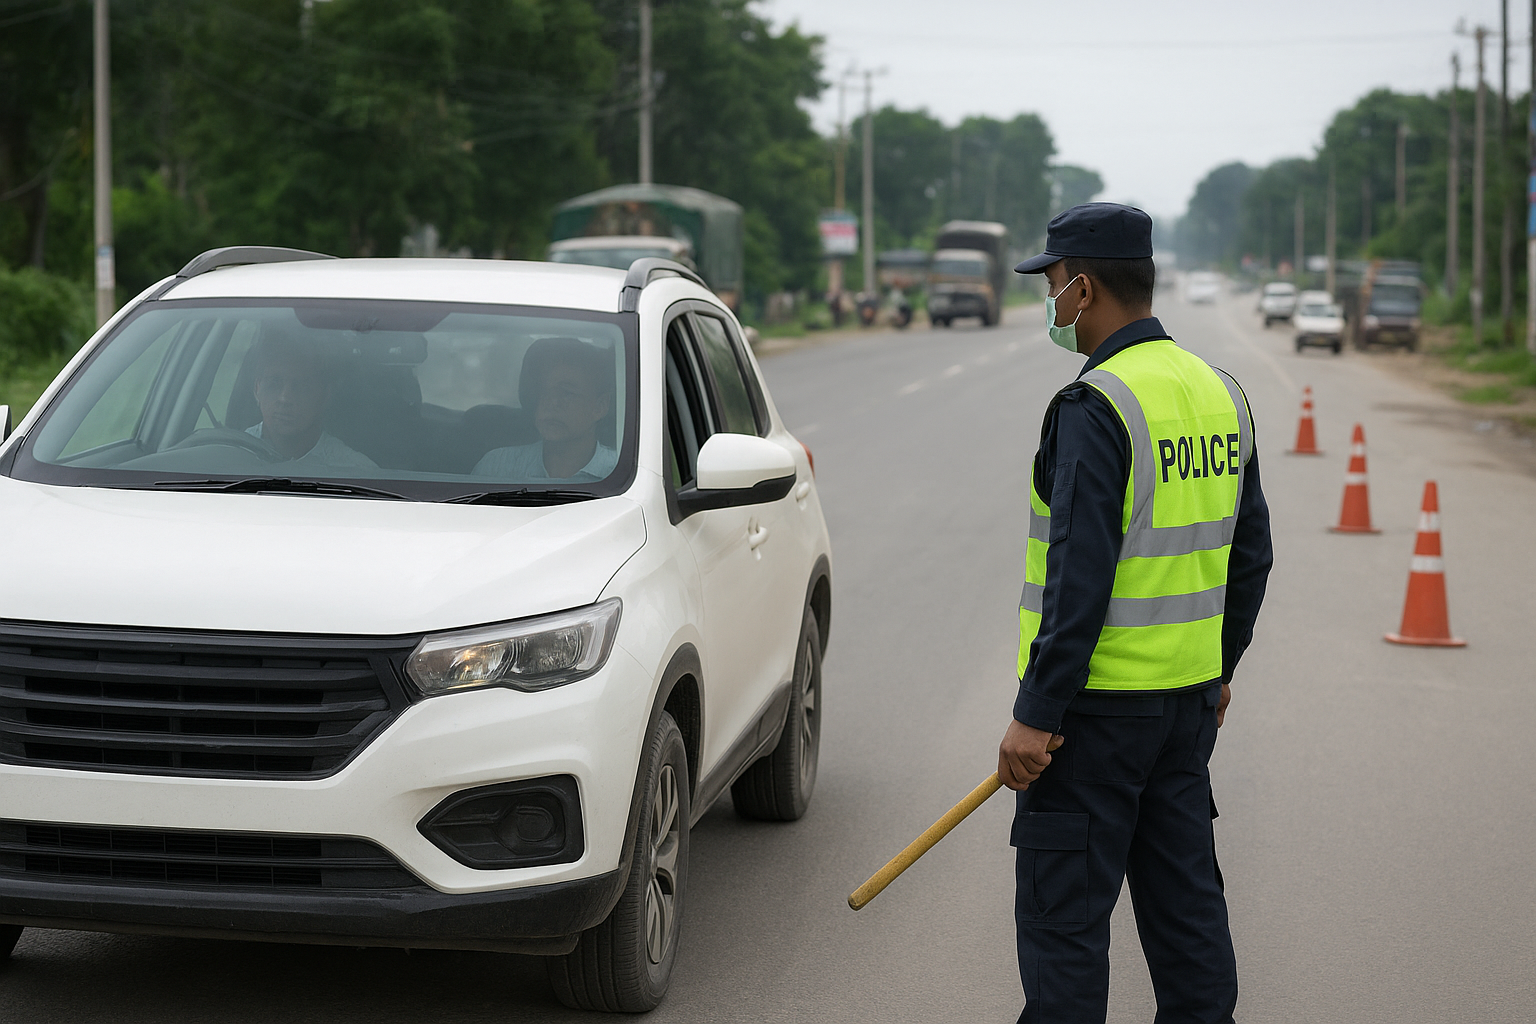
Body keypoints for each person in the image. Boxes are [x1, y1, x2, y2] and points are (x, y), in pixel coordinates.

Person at [998, 203, 1272, 1024]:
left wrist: (1036, 715)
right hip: (1184, 717)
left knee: (1065, 937)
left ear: (1085, 287)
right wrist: (1217, 671)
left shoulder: (1098, 407)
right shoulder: (1222, 392)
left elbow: (1076, 581)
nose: (1050, 302)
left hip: (1089, 728)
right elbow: (1250, 558)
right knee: (1188, 925)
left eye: (1052, 284)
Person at [474, 336, 618, 482]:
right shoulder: (497, 467)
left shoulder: (620, 474)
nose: (551, 402)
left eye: (566, 393)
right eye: (543, 390)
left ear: (600, 406)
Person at [246, 333, 376, 470]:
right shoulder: (231, 453)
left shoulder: (355, 471)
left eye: (301, 386)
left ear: (325, 396)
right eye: (275, 383)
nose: (285, 398)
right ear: (257, 388)